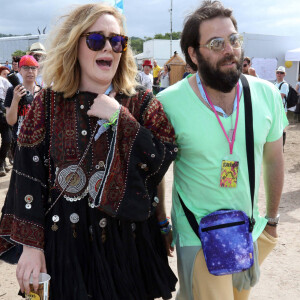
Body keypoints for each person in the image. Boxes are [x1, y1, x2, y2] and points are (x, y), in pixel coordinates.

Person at [0, 4, 177, 300]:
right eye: (96, 40)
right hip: (67, 247)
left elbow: (161, 159)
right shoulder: (48, 103)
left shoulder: (141, 102)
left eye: (117, 40)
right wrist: (31, 247)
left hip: (129, 245)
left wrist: (120, 118)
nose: (109, 47)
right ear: (76, 45)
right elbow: (27, 174)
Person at [157, 1, 287, 299]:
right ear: (193, 53)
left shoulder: (266, 94)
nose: (229, 49)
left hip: (247, 231)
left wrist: (273, 221)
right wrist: (162, 221)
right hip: (197, 233)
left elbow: (274, 160)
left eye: (233, 39)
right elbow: (156, 172)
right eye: (216, 43)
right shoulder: (168, 103)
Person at [5, 55, 41, 157]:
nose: (30, 71)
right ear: (20, 70)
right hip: (20, 141)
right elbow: (11, 121)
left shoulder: (43, 92)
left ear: (37, 70)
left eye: (33, 68)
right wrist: (15, 100)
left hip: (40, 142)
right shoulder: (12, 91)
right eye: (26, 68)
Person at [0, 75, 12, 176]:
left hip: (3, 116)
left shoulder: (3, 81)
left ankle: (2, 160)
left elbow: (11, 94)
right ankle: (1, 164)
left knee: (7, 140)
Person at [274, 66, 288, 147]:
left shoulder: (284, 84)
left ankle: (281, 146)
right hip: (275, 108)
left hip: (282, 108)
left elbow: (281, 97)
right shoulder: (275, 84)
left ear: (284, 74)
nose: (279, 74)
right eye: (278, 72)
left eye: (281, 73)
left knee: (282, 127)